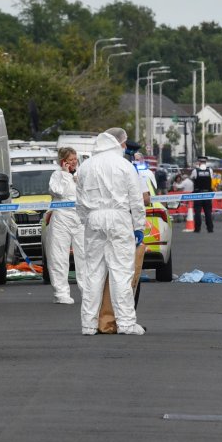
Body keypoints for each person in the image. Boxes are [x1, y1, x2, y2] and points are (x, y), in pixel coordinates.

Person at [76, 127, 147, 336]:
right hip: (119, 218)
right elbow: (136, 200)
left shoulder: (85, 167)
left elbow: (79, 201)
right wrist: (139, 226)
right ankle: (126, 323)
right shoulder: (124, 166)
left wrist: (84, 221)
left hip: (94, 219)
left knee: (92, 274)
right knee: (121, 273)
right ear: (118, 144)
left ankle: (88, 324)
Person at [98, 143, 151, 333]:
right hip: (122, 227)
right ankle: (122, 320)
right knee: (126, 275)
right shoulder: (130, 171)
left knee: (105, 275)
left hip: (104, 226)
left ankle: (105, 320)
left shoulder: (98, 168)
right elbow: (144, 199)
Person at [45, 147, 85, 305]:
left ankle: (88, 290)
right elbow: (57, 191)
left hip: (79, 217)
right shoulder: (56, 175)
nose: (74, 163)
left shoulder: (81, 174)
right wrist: (64, 174)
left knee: (85, 255)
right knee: (58, 256)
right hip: (61, 217)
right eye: (70, 160)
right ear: (63, 161)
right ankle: (61, 293)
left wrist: (76, 178)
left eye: (75, 159)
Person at [190, 156, 214, 233]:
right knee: (208, 212)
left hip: (198, 194)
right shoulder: (210, 170)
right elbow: (211, 179)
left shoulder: (195, 171)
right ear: (205, 162)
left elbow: (192, 178)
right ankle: (210, 228)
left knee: (197, 212)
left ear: (199, 162)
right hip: (207, 194)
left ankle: (197, 228)